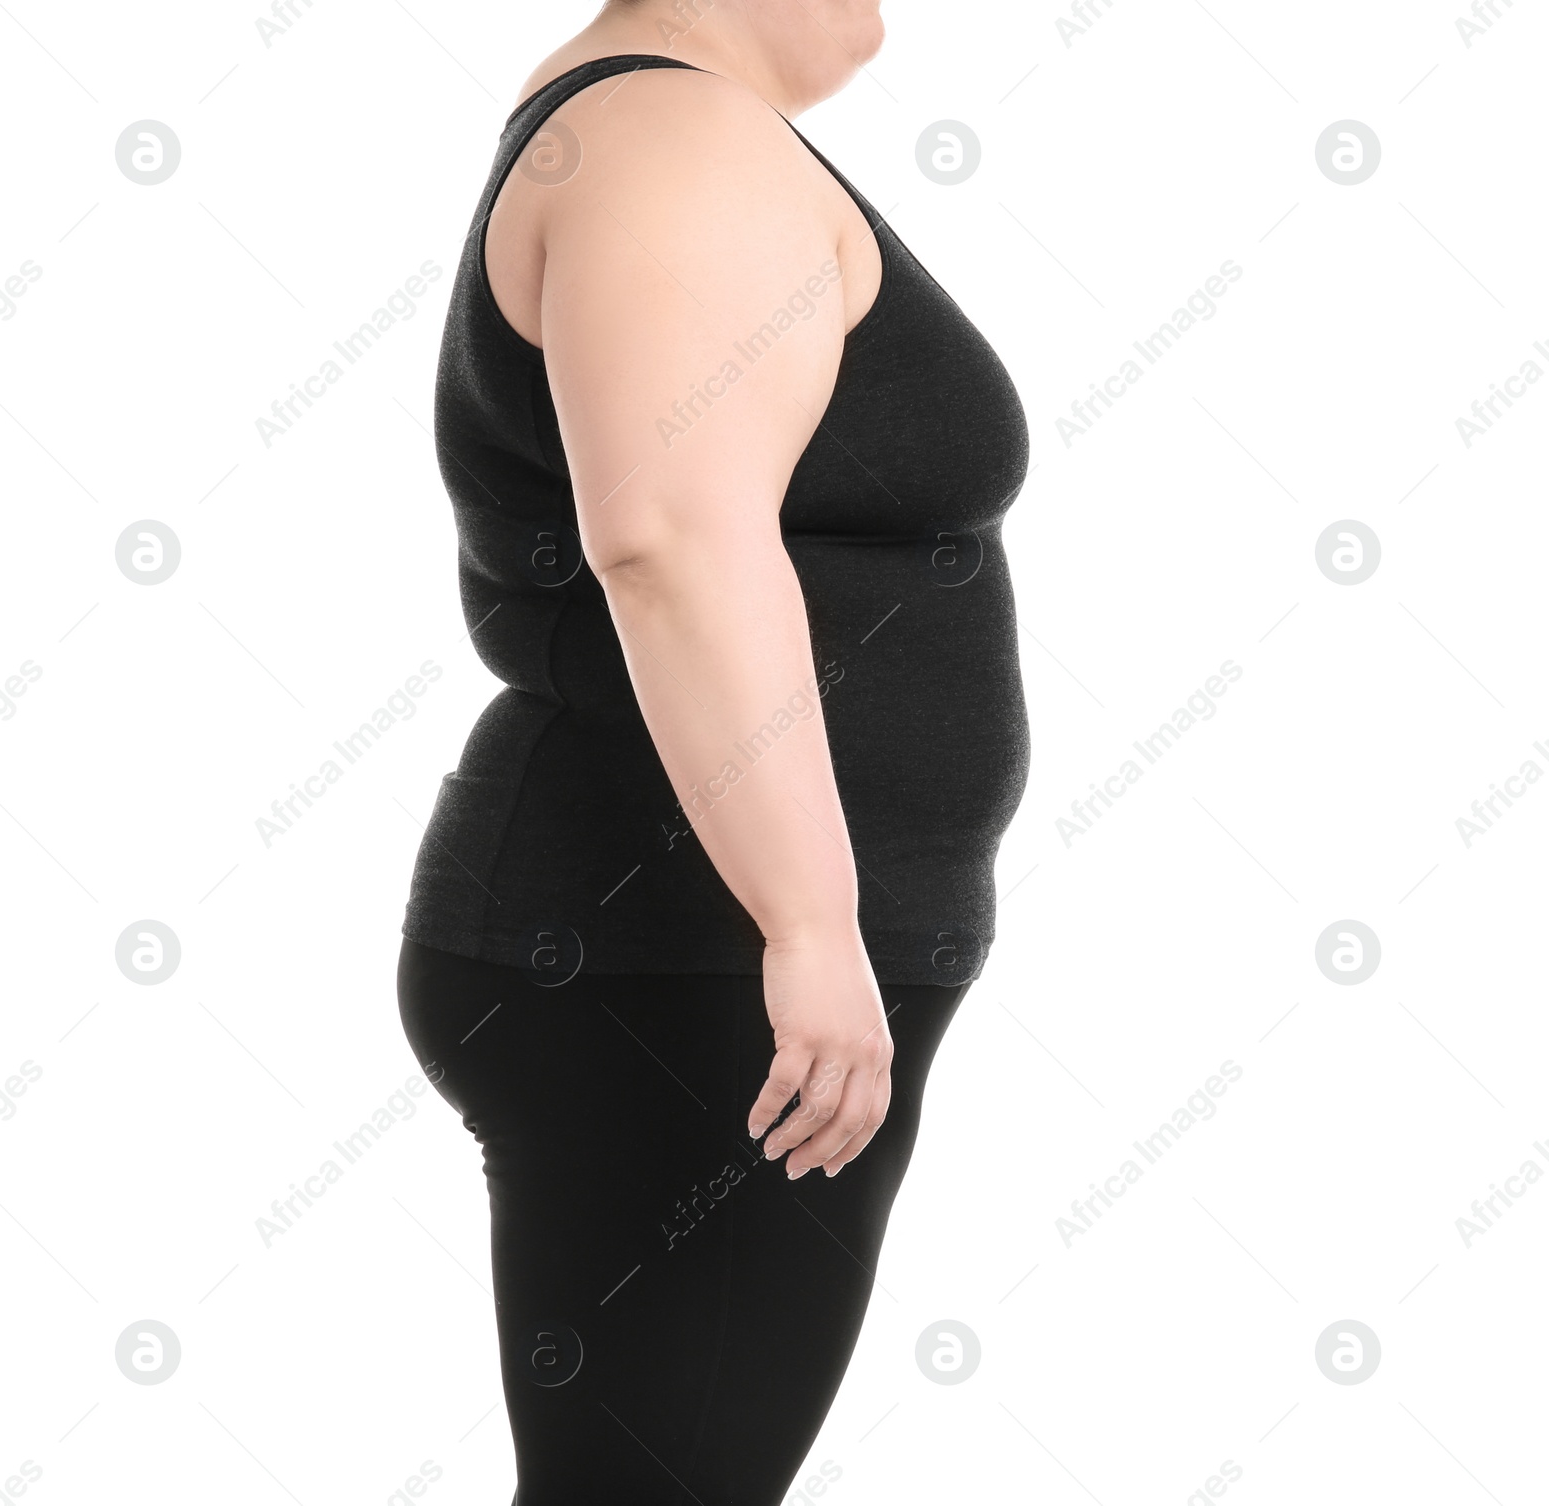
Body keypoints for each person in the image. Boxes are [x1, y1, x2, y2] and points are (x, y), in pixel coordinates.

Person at [396, 2, 1030, 1499]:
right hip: (680, 963)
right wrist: (810, 922)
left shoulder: (674, 134)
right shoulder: (670, 140)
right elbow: (671, 542)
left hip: (686, 961)